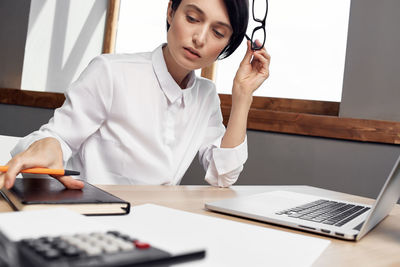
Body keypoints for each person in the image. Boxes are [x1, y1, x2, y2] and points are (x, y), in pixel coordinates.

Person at [0, 0, 270, 190]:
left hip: (157, 222)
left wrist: (243, 94)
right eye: (192, 18)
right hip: (90, 215)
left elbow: (223, 175)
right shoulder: (110, 72)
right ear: (170, 11)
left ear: (228, 43)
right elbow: (56, 137)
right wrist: (52, 143)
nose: (200, 38)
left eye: (218, 32)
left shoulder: (205, 95)